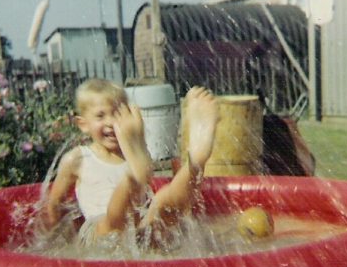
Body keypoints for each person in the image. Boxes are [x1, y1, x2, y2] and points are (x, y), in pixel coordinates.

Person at [43, 78, 218, 248]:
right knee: (114, 220)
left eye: (117, 114)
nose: (110, 122)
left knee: (164, 204)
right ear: (83, 124)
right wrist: (59, 240)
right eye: (100, 116)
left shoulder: (131, 153)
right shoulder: (78, 158)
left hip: (138, 226)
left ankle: (196, 158)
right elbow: (55, 204)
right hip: (99, 229)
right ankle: (133, 177)